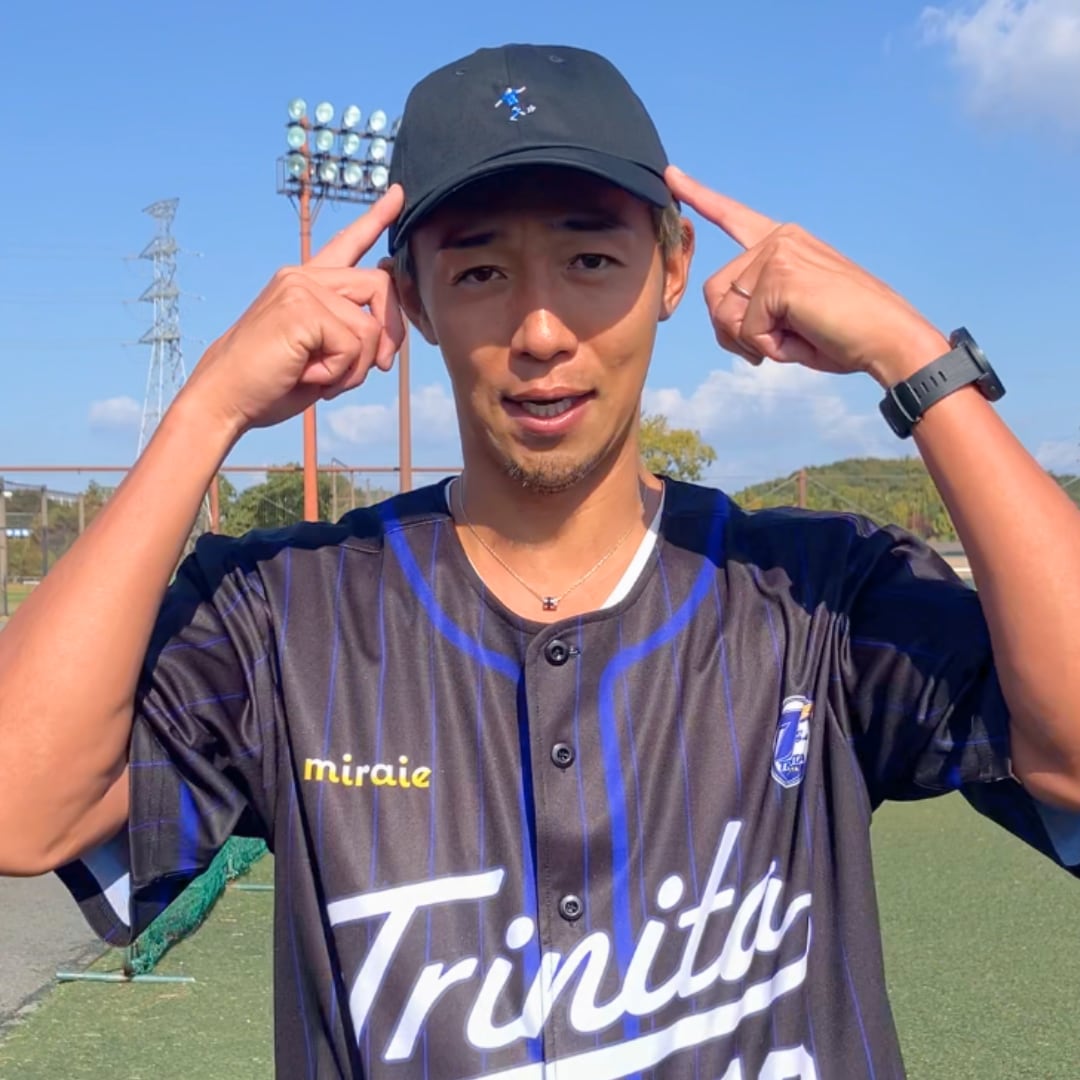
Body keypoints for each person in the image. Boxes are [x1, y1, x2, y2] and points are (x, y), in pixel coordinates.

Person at [0, 42, 1078, 1080]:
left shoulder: (819, 592)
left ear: (673, 266)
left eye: (591, 258)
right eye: (479, 270)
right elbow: (23, 806)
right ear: (411, 300)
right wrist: (207, 409)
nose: (543, 329)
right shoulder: (284, 612)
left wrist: (912, 356)